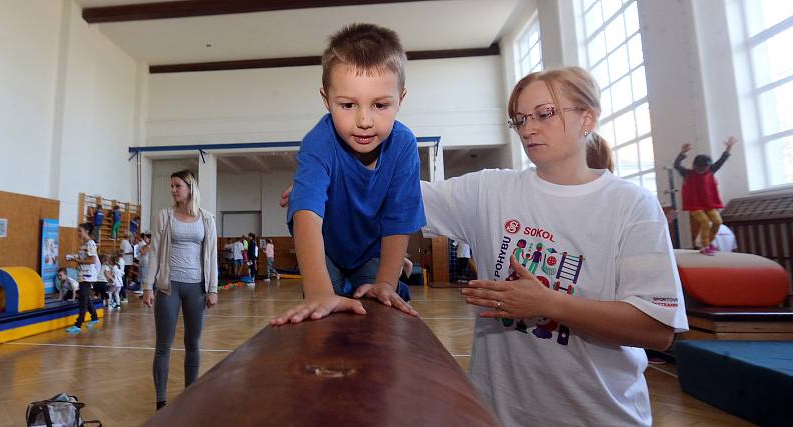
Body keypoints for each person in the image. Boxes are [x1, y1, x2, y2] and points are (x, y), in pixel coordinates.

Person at [419, 67, 688, 426]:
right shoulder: (489, 191)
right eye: (519, 120)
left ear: (587, 118)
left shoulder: (631, 205)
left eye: (545, 114)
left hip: (599, 415)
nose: (529, 129)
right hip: (500, 413)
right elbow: (400, 197)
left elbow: (657, 329)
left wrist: (548, 303)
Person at [272, 23, 424, 325]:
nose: (364, 120)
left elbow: (398, 220)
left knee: (376, 312)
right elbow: (306, 215)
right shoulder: (318, 142)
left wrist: (386, 283)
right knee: (322, 317)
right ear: (326, 99)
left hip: (370, 252)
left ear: (401, 99)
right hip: (325, 251)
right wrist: (317, 290)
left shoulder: (404, 145)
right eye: (348, 105)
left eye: (380, 105)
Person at [143, 169, 218, 411]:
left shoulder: (207, 219)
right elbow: (154, 251)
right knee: (163, 345)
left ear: (190, 188)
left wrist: (213, 288)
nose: (174, 190)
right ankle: (161, 401)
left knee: (193, 343)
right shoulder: (164, 216)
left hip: (196, 287)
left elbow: (212, 255)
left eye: (178, 186)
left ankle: (191, 395)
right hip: (169, 286)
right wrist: (147, 286)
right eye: (172, 186)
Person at [673, 137, 737, 255]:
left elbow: (721, 160)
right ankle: (704, 246)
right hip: (694, 205)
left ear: (708, 166)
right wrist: (682, 152)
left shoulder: (711, 170)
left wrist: (729, 147)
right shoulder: (688, 173)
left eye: (704, 168)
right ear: (694, 166)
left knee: (718, 221)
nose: (701, 171)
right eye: (698, 168)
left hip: (709, 204)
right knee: (705, 222)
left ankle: (709, 243)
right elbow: (676, 165)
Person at [65, 222, 101, 334]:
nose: (78, 233)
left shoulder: (90, 243)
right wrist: (74, 257)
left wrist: (77, 260)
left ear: (87, 231)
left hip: (87, 275)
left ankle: (78, 324)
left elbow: (92, 260)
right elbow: (83, 257)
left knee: (83, 300)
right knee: (86, 298)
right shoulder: (83, 244)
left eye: (80, 231)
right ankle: (94, 318)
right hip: (82, 274)